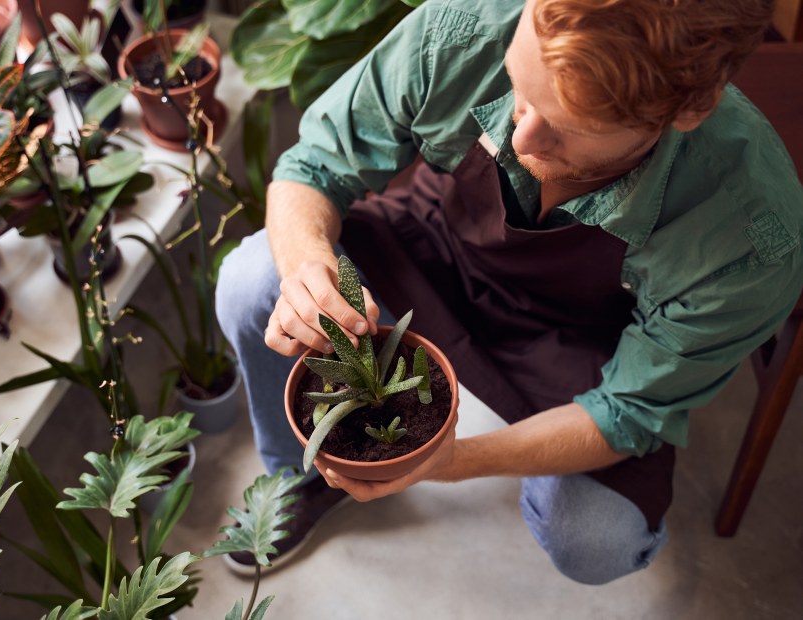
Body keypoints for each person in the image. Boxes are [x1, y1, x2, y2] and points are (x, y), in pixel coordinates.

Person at [216, 0, 803, 584]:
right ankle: (306, 478)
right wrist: (306, 267)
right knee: (253, 283)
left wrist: (449, 461)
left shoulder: (753, 237)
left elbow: (630, 412)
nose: (522, 135)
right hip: (431, 244)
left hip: (580, 338)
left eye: (569, 128)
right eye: (521, 89)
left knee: (598, 538)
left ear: (690, 109)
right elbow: (316, 165)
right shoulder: (461, 29)